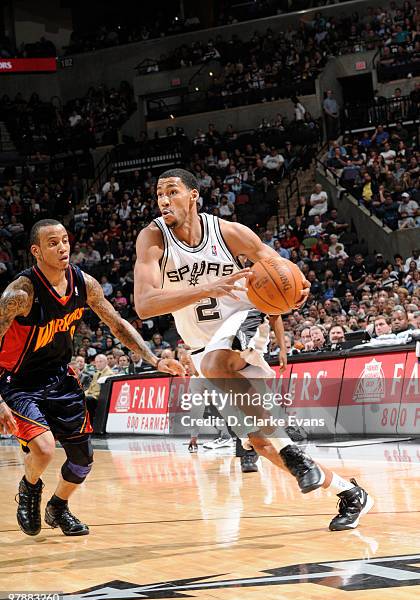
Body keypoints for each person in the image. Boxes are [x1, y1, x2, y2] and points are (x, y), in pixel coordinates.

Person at [134, 169, 373, 531]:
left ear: (193, 195)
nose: (163, 200)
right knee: (261, 443)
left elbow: (278, 268)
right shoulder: (153, 238)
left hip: (245, 317)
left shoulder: (228, 232)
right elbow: (145, 304)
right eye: (158, 194)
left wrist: (299, 284)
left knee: (218, 363)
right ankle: (348, 492)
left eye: (172, 191)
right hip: (203, 347)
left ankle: (292, 450)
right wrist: (208, 287)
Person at [0, 219, 184, 538]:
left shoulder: (84, 284)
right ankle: (29, 489)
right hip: (18, 381)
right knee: (43, 450)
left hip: (59, 378)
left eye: (65, 241)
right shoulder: (20, 293)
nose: (63, 248)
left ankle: (58, 507)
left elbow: (117, 324)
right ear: (36, 251)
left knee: (83, 460)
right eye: (53, 243)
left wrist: (154, 359)